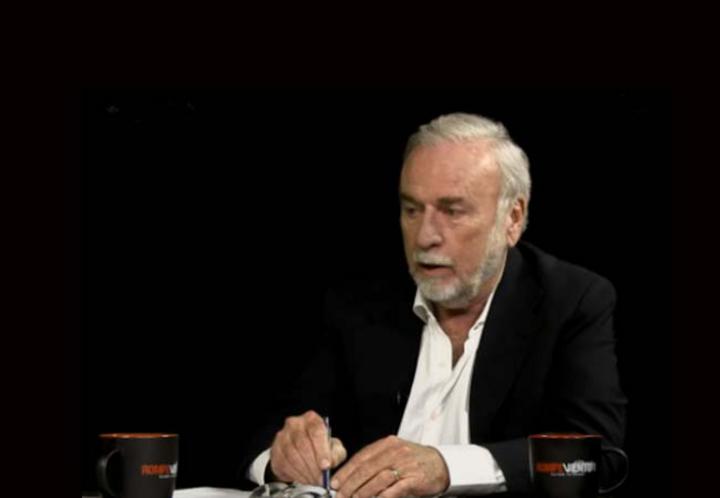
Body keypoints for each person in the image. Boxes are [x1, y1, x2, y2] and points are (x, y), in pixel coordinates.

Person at [240, 113, 627, 497]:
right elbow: (271, 428)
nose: (425, 236)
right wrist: (283, 457)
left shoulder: (570, 301)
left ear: (512, 218)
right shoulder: (358, 304)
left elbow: (595, 457)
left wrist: (445, 467)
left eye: (452, 211)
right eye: (412, 210)